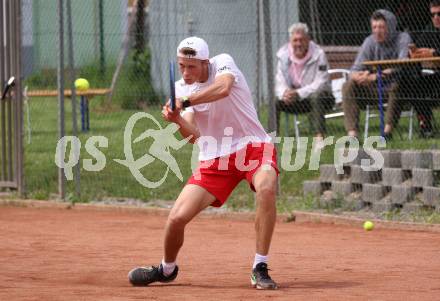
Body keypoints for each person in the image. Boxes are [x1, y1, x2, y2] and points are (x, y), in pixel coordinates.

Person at [128, 37, 279, 290]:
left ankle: (260, 266)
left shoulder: (223, 63)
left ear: (205, 63)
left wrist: (185, 102)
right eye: (181, 66)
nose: (186, 73)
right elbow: (194, 136)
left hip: (253, 146)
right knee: (176, 218)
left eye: (192, 67)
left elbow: (224, 88)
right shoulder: (180, 88)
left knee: (266, 188)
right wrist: (177, 119)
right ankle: (166, 269)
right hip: (215, 159)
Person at [342, 9, 412, 139]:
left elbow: (402, 64)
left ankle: (386, 133)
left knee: (398, 85)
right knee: (348, 85)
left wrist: (375, 76)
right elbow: (354, 70)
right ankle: (353, 135)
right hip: (373, 88)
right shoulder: (369, 41)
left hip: (395, 86)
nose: (377, 31)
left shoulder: (403, 38)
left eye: (381, 27)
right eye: (374, 27)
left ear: (390, 27)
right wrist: (360, 77)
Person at [275, 22, 334, 141]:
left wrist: (298, 93)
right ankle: (270, 139)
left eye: (301, 40)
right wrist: (285, 93)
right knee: (274, 100)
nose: (298, 44)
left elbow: (321, 82)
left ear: (308, 39)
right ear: (290, 41)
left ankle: (319, 139)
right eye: (295, 40)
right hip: (295, 99)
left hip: (320, 98)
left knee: (317, 96)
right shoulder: (283, 56)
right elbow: (279, 80)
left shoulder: (319, 54)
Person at [398, 0, 440, 137]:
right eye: (433, 14)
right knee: (411, 83)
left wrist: (433, 53)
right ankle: (425, 126)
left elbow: (432, 53)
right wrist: (415, 51)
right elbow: (418, 49)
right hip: (436, 76)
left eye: (439, 14)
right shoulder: (431, 28)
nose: (436, 18)